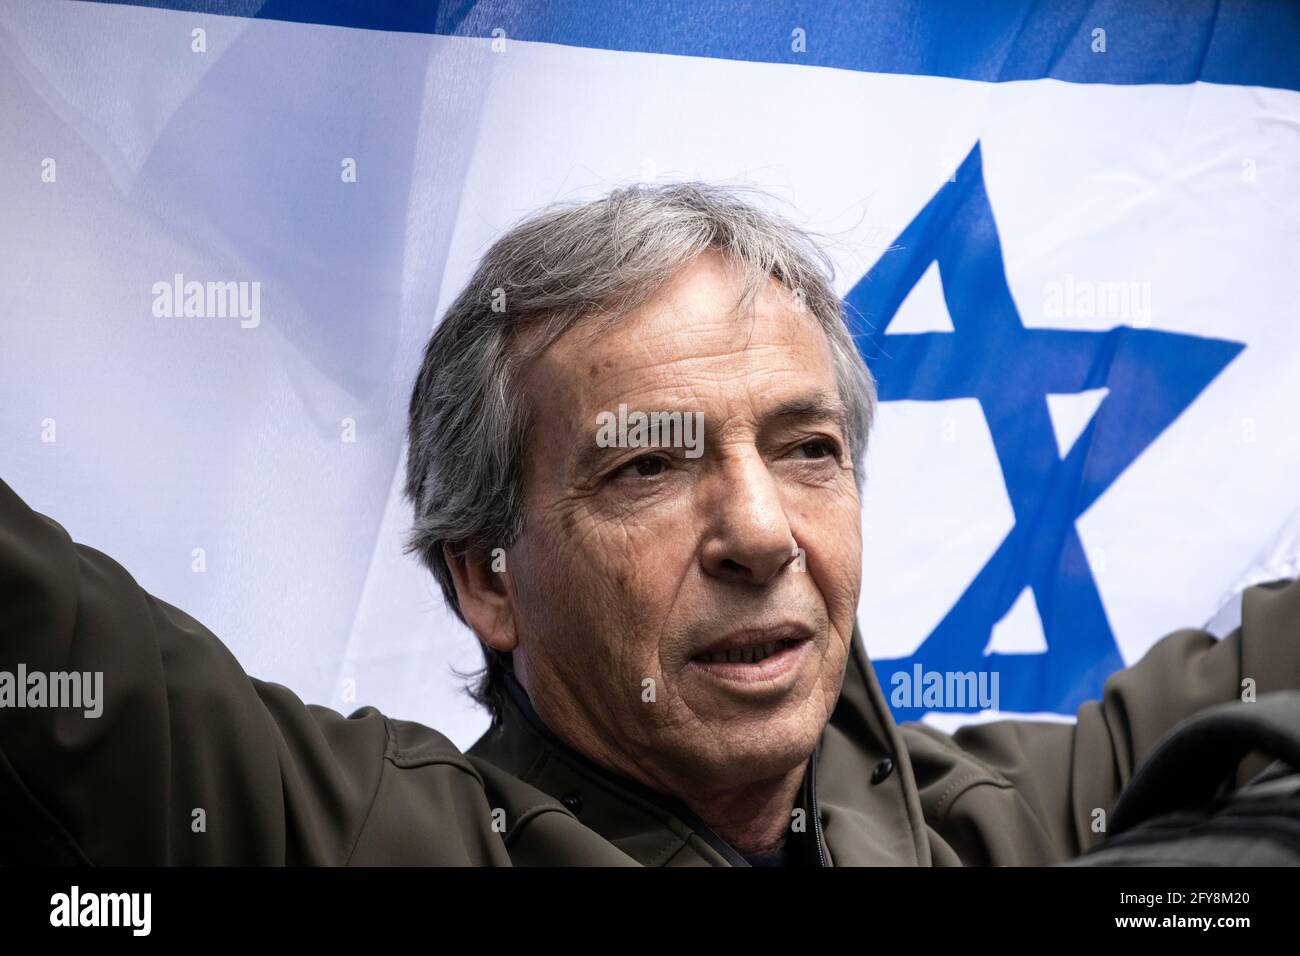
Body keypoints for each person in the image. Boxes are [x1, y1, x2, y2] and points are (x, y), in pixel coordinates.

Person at [3, 183, 1297, 866]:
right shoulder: (354, 838)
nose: (757, 530)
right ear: (488, 577)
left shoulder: (1059, 815)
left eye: (807, 451)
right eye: (646, 471)